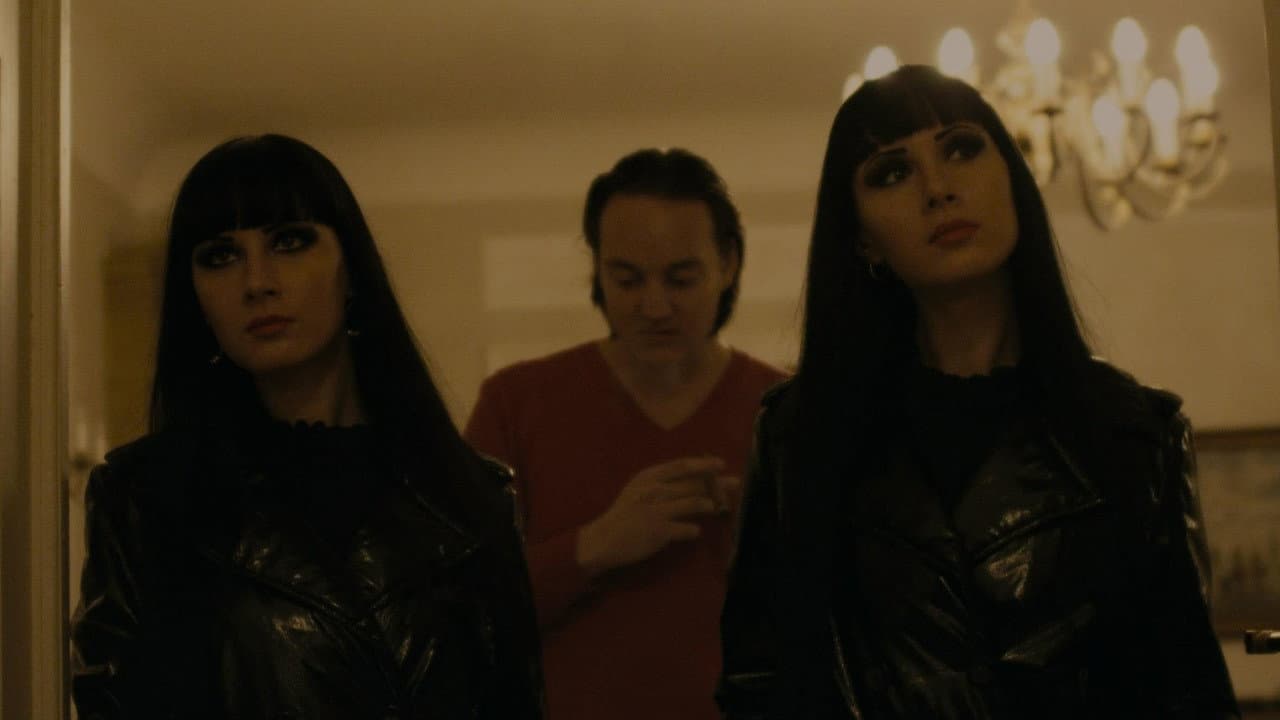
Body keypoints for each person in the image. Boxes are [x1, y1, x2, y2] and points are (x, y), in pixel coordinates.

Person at [717, 66, 1240, 719]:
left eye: (961, 149)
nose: (938, 189)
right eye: (892, 172)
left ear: (1013, 181)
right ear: (862, 239)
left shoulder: (1136, 430)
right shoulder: (800, 434)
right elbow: (761, 682)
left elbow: (1189, 689)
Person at [70, 134, 544, 719]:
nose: (257, 281)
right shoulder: (144, 498)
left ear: (352, 270)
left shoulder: (474, 496)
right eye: (220, 256)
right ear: (195, 298)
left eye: (289, 242)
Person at [464, 148, 787, 720]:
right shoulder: (515, 402)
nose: (654, 306)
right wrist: (593, 547)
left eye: (681, 278)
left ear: (729, 264)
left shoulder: (786, 413)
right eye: (627, 279)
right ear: (598, 271)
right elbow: (458, 610)